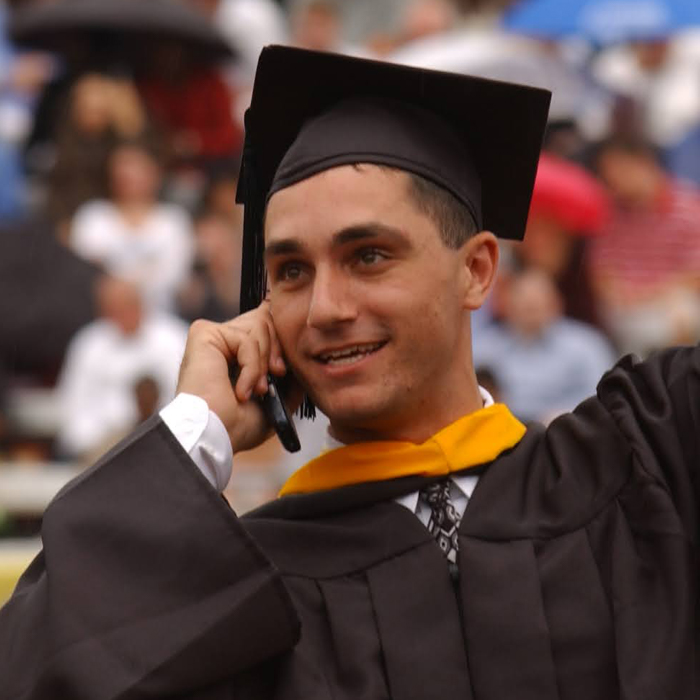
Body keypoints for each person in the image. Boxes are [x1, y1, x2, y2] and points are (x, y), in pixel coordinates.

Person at [1, 46, 698, 700]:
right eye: (291, 272)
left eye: (368, 255)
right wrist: (198, 427)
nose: (326, 309)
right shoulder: (254, 584)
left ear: (477, 269)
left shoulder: (644, 462)